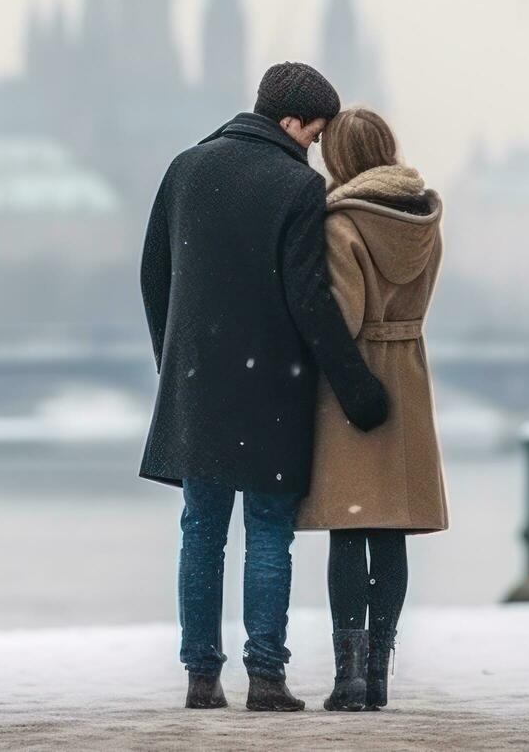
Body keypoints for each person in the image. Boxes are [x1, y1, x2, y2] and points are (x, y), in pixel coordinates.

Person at [138, 62, 391, 713]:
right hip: (271, 387)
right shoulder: (296, 187)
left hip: (196, 384)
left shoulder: (185, 168)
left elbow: (153, 276)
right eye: (312, 132)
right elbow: (309, 300)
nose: (312, 145)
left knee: (201, 530)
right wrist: (355, 386)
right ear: (289, 121)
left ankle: (199, 676)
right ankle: (267, 678)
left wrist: (174, 361)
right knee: (268, 532)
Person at [296, 108, 448, 712]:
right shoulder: (425, 221)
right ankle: (381, 673)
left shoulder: (342, 225)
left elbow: (346, 317)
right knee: (391, 531)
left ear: (341, 159)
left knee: (350, 527)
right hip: (408, 376)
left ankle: (349, 678)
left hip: (357, 384)